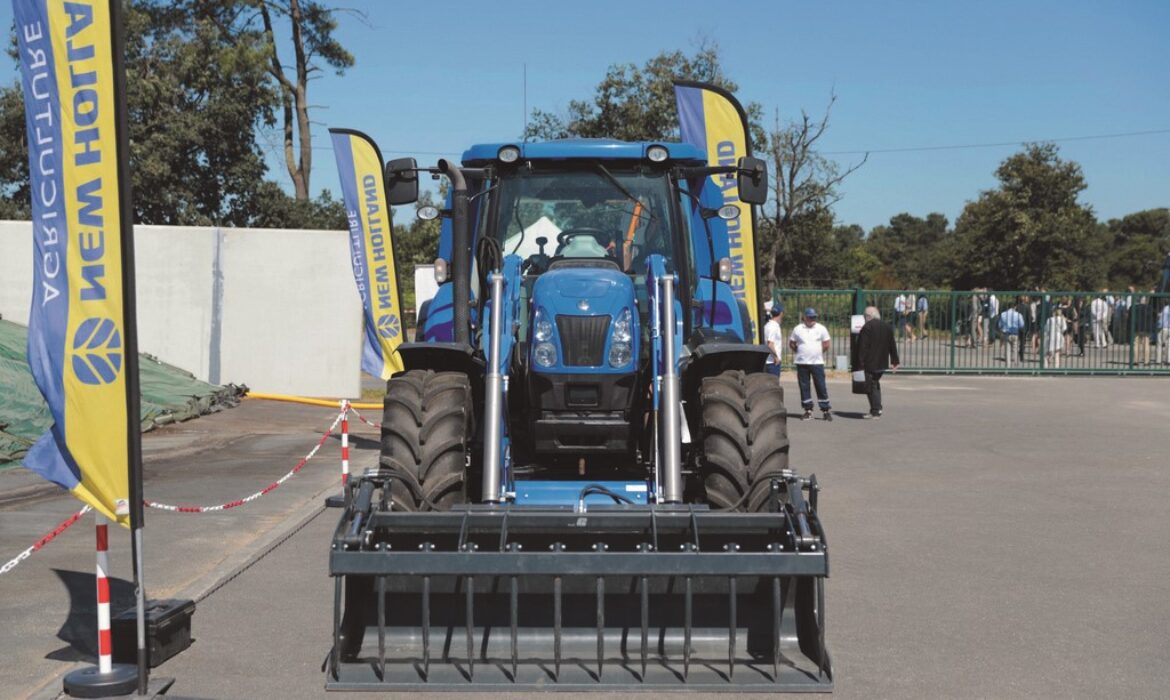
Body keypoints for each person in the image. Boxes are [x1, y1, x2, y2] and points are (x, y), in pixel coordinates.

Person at [788, 307, 833, 421]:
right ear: (805, 317)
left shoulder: (821, 328)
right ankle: (808, 410)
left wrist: (817, 352)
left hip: (817, 363)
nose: (813, 319)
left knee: (821, 386)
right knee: (804, 386)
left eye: (814, 317)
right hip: (802, 362)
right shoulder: (798, 329)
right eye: (810, 317)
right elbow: (792, 342)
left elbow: (826, 343)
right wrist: (798, 351)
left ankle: (825, 410)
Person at [855, 306, 900, 419]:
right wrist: (895, 360)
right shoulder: (887, 327)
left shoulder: (867, 327)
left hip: (870, 363)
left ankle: (876, 411)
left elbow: (862, 347)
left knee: (871, 386)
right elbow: (892, 345)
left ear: (869, 316)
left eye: (865, 316)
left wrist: (859, 364)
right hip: (882, 363)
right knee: (875, 383)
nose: (864, 319)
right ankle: (876, 409)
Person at [997, 302, 1025, 367]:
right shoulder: (1018, 314)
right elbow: (1022, 325)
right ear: (1014, 307)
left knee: (1007, 350)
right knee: (1015, 349)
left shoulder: (1003, 314)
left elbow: (999, 325)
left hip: (1006, 334)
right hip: (1015, 333)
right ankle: (1016, 364)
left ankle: (1008, 366)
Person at [763, 304, 785, 379]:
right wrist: (775, 357)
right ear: (781, 313)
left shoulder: (768, 325)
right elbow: (770, 344)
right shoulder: (774, 326)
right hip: (772, 361)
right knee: (774, 384)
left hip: (767, 360)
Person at [1043, 304, 1067, 368]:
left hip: (1051, 336)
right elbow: (1064, 329)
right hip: (1059, 336)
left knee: (1049, 351)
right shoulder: (1062, 319)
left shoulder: (1049, 319)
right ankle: (1056, 366)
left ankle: (1046, 365)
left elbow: (1046, 329)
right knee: (1057, 352)